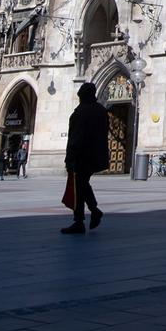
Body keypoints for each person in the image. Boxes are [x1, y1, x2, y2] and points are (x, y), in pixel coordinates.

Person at [61, 83, 109, 235]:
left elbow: (76, 137)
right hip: (96, 155)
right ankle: (93, 211)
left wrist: (69, 158)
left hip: (81, 155)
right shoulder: (102, 110)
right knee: (82, 184)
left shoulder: (80, 112)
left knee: (79, 185)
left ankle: (80, 220)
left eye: (80, 94)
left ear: (83, 95)